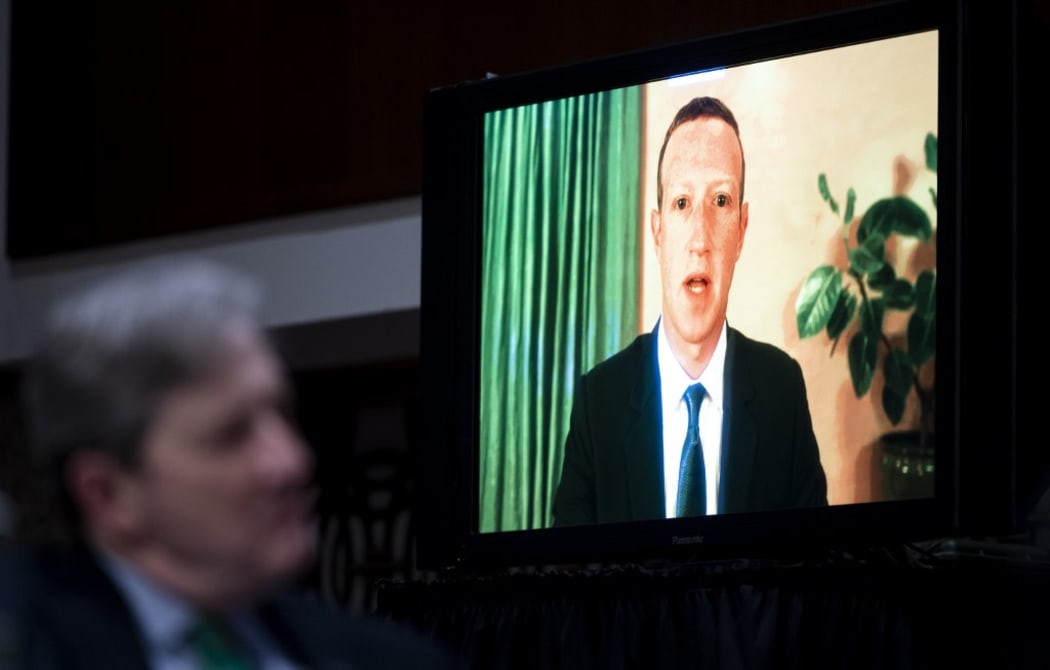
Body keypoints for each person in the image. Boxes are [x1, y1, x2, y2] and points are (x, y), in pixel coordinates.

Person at [10, 258, 459, 669]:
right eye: (232, 435)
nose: (292, 462)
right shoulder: (22, 643)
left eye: (283, 416)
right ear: (107, 493)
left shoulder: (395, 660)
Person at [552, 96, 828, 527]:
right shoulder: (598, 403)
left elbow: (813, 575)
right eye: (682, 203)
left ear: (741, 230)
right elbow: (566, 582)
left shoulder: (782, 393)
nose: (700, 238)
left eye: (720, 201)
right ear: (658, 232)